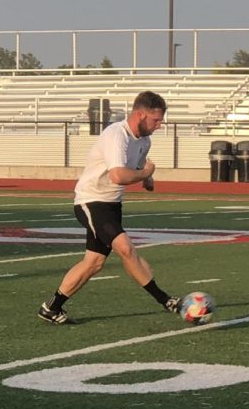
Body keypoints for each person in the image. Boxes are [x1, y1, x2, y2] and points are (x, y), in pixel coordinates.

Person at [37, 91, 181, 324]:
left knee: (94, 262)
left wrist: (146, 177)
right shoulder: (116, 134)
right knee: (125, 248)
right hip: (91, 201)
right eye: (156, 120)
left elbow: (137, 162)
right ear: (140, 115)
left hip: (111, 204)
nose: (160, 125)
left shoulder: (144, 140)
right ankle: (166, 300)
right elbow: (118, 175)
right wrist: (145, 173)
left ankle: (51, 307)